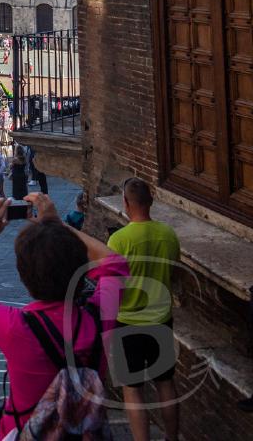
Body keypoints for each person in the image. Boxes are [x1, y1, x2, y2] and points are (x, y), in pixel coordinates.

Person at [0, 194, 128, 438]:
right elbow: (115, 264)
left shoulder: (16, 327)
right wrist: (57, 225)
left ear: (22, 275)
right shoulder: (97, 317)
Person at [108, 178, 181, 441]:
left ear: (126, 203)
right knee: (165, 382)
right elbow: (174, 273)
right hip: (161, 319)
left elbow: (112, 287)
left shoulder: (118, 240)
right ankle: (171, 438)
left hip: (128, 323)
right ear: (151, 201)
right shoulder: (168, 235)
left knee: (133, 389)